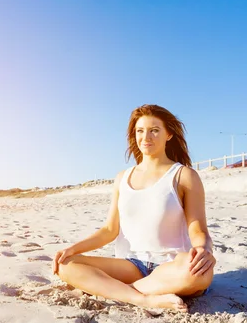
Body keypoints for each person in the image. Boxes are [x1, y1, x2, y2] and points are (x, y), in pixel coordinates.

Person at [52, 104, 215, 312]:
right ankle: (143, 299)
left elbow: (198, 228)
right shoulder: (122, 178)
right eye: (140, 131)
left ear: (169, 135)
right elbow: (109, 230)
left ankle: (116, 290)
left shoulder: (183, 176)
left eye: (154, 130)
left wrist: (204, 249)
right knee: (66, 264)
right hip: (132, 265)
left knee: (200, 273)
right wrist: (73, 249)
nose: (146, 137)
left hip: (171, 266)